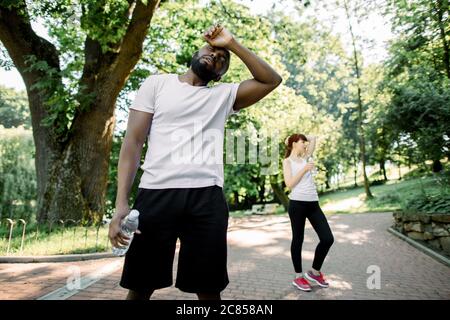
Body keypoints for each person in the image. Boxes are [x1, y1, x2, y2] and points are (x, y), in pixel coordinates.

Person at [108, 24, 282, 300]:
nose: (216, 56)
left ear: (222, 74)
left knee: (208, 289)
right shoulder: (157, 84)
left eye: (222, 60)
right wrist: (121, 205)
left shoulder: (223, 96)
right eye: (212, 50)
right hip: (155, 195)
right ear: (197, 50)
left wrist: (232, 44)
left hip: (206, 199)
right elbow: (132, 143)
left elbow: (271, 80)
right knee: (140, 286)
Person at [282, 133, 334, 292]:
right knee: (298, 239)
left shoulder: (305, 156)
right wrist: (304, 169)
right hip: (297, 204)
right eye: (301, 142)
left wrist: (304, 138)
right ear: (293, 144)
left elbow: (314, 138)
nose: (305, 144)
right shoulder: (287, 161)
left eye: (305, 142)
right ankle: (298, 277)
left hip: (313, 204)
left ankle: (314, 272)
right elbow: (289, 184)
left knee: (327, 238)